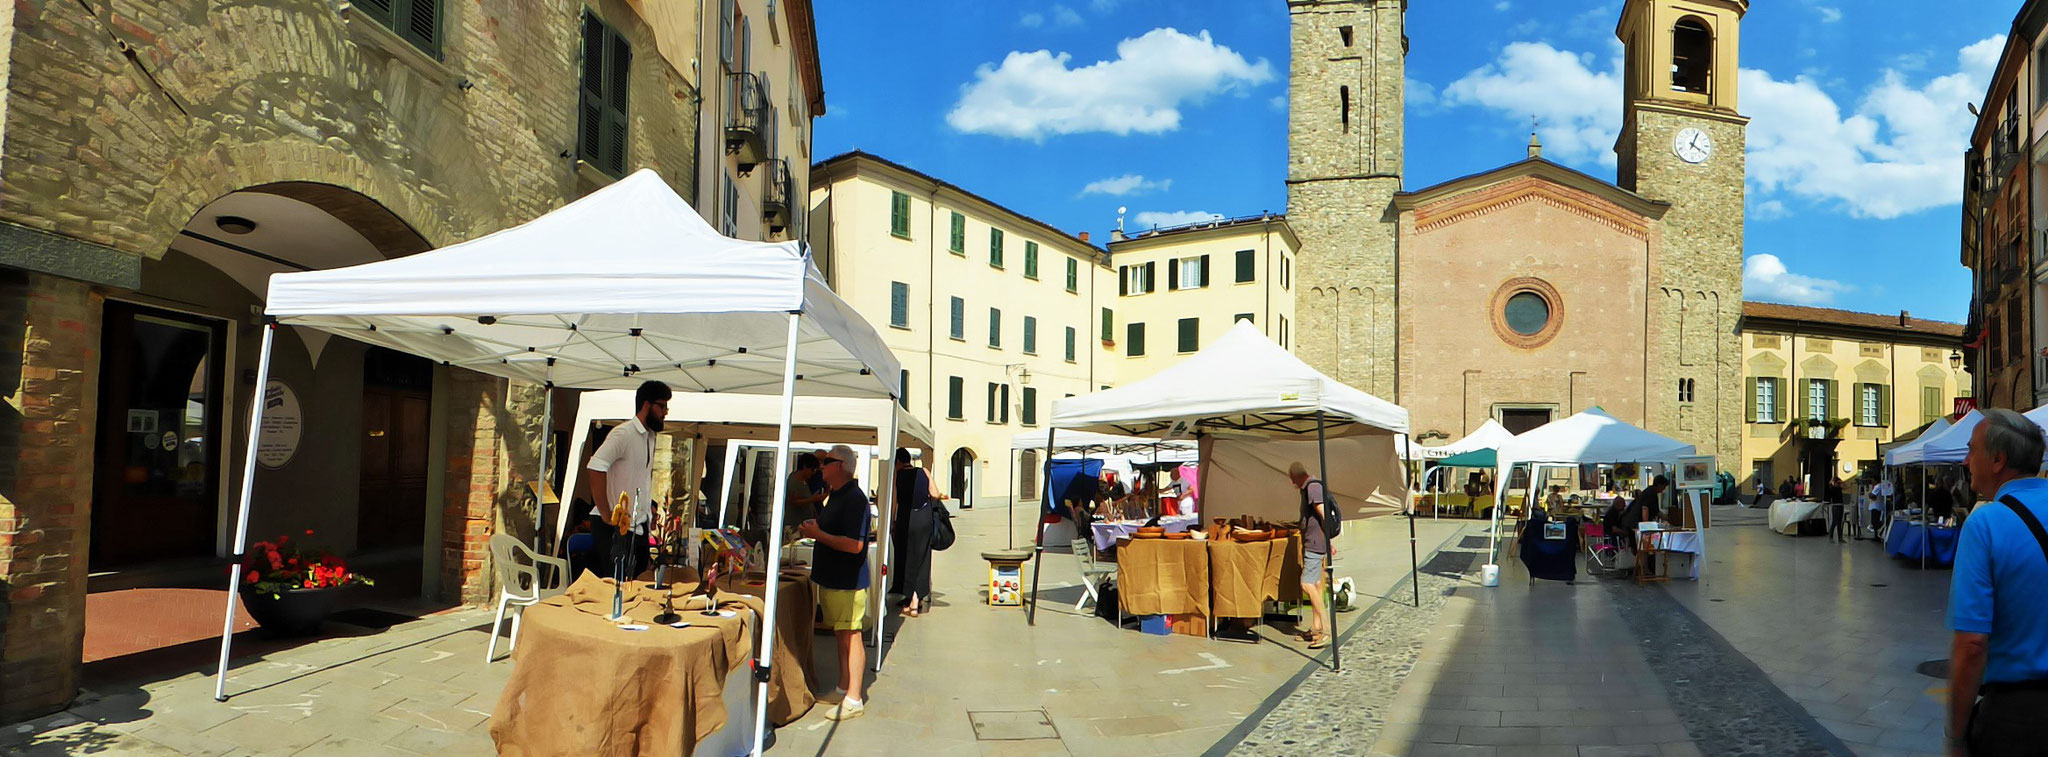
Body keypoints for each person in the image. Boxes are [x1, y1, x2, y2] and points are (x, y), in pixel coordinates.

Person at [1947, 408, 2048, 756]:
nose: (1965, 459)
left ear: (1998, 460)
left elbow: (1972, 645)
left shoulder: (1985, 523)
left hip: (2019, 718)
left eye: (1972, 449)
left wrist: (1955, 738)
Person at [799, 444, 871, 721]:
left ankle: (854, 697)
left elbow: (855, 545)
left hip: (847, 581)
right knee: (842, 635)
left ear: (841, 465)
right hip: (836, 579)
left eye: (827, 460)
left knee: (851, 636)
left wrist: (818, 535)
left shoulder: (854, 498)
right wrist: (817, 529)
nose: (822, 465)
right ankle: (844, 687)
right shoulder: (838, 495)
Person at [585, 380, 669, 579]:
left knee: (638, 584)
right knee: (618, 589)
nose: (665, 412)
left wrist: (649, 510)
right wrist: (606, 513)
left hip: (637, 527)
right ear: (647, 405)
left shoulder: (650, 437)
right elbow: (595, 467)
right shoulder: (624, 433)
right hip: (615, 527)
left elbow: (638, 478)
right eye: (662, 406)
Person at [1288, 462, 1333, 650]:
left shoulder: (1313, 487)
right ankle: (1316, 627)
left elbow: (1325, 515)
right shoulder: (1310, 487)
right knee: (1315, 584)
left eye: (1292, 480)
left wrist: (1329, 540)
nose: (1292, 484)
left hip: (1315, 543)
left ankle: (1326, 629)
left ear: (1296, 476)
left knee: (1306, 583)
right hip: (1315, 542)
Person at [891, 448, 938, 618]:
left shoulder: (897, 476)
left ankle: (909, 600)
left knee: (906, 558)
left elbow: (894, 502)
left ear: (897, 462)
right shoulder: (924, 472)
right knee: (922, 558)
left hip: (905, 518)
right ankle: (916, 600)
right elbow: (935, 493)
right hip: (923, 519)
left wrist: (891, 523)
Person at [784, 453, 828, 538]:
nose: (813, 472)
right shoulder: (794, 481)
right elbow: (794, 502)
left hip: (805, 526)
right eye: (812, 469)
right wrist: (813, 499)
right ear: (804, 467)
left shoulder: (804, 481)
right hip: (794, 527)